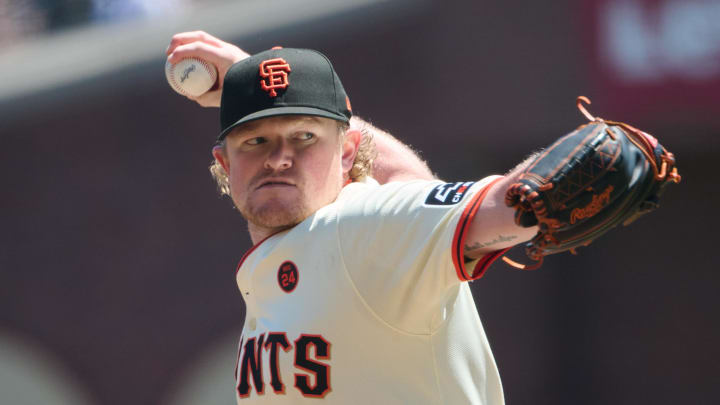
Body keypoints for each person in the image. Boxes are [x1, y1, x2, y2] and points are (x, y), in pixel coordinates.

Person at [166, 31, 538, 404]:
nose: (278, 158)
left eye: (303, 136)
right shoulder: (368, 237)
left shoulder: (359, 229)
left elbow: (514, 202)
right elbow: (410, 183)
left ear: (347, 152)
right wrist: (260, 80)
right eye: (255, 141)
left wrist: (564, 180)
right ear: (226, 164)